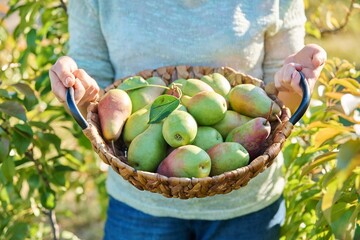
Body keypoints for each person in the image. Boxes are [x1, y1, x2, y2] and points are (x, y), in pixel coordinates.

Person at [49, 0, 326, 239]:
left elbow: (276, 111)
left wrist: (293, 84)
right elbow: (95, 100)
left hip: (245, 207)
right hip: (140, 206)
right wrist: (76, 88)